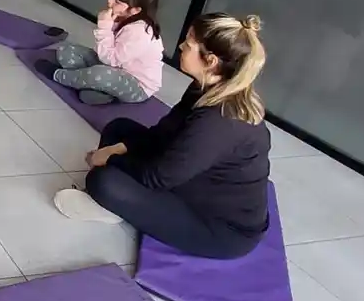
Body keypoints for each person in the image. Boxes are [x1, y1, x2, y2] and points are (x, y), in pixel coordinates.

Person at [55, 13, 272, 260]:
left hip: (220, 229)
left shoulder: (219, 122)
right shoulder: (206, 87)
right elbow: (163, 134)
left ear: (210, 61)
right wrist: (116, 149)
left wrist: (109, 159)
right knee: (119, 129)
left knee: (103, 181)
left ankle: (114, 205)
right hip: (193, 180)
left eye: (189, 44)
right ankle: (123, 200)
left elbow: (158, 177)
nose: (180, 46)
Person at [47, 0, 164, 105]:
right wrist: (110, 24)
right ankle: (90, 83)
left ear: (135, 10)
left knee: (101, 74)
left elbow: (110, 60)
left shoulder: (141, 32)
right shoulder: (125, 18)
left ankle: (59, 76)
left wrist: (104, 28)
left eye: (117, 1)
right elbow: (107, 56)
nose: (109, 1)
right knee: (66, 50)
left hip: (137, 85)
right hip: (114, 68)